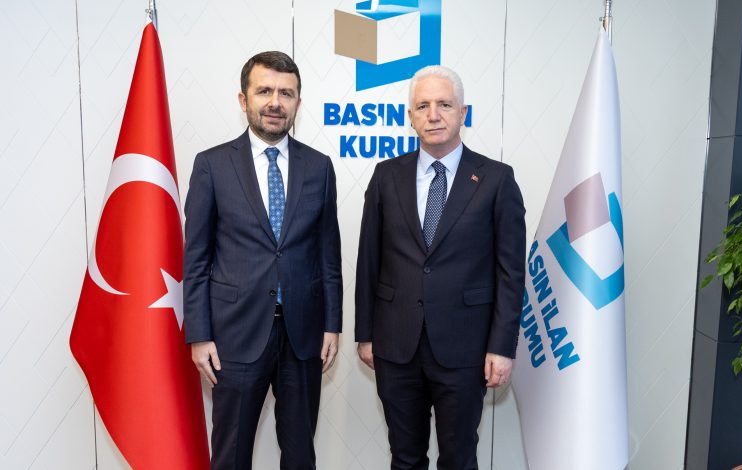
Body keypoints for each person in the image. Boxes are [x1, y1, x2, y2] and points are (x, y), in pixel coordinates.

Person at [355, 65, 526, 469]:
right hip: (396, 346)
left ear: (462, 113)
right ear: (410, 117)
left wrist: (502, 347)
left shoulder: (496, 180)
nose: (433, 115)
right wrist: (365, 334)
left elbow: (510, 273)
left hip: (466, 349)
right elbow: (368, 260)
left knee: (459, 458)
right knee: (405, 458)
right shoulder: (386, 176)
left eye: (444, 105)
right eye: (423, 106)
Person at [183, 51, 343, 470]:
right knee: (231, 456)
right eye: (264, 91)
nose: (275, 102)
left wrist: (332, 324)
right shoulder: (212, 165)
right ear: (243, 99)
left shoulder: (320, 167)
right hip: (234, 336)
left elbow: (329, 255)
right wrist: (199, 334)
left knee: (300, 455)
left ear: (298, 103)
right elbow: (196, 259)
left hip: (304, 336)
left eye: (286, 93)